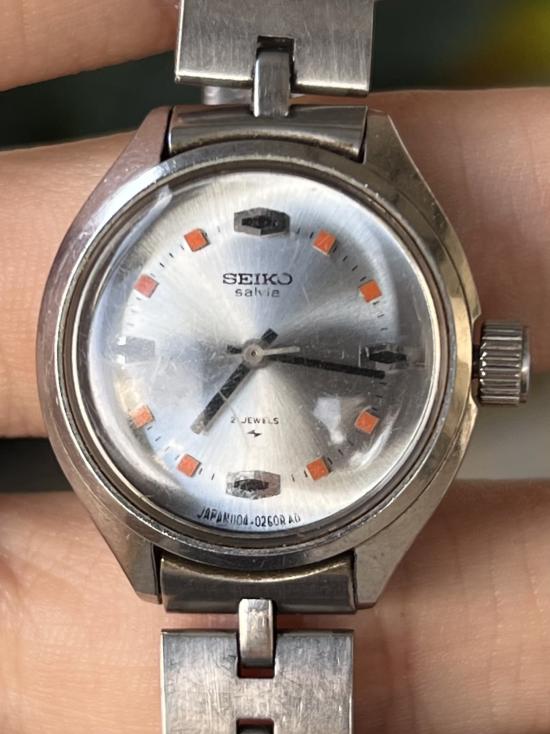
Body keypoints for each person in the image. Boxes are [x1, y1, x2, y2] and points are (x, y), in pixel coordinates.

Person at [1, 2, 549, 732]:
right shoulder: (222, 160)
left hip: (326, 525)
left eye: (261, 353)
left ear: (483, 367)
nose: (255, 354)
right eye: (250, 352)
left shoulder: (339, 157)